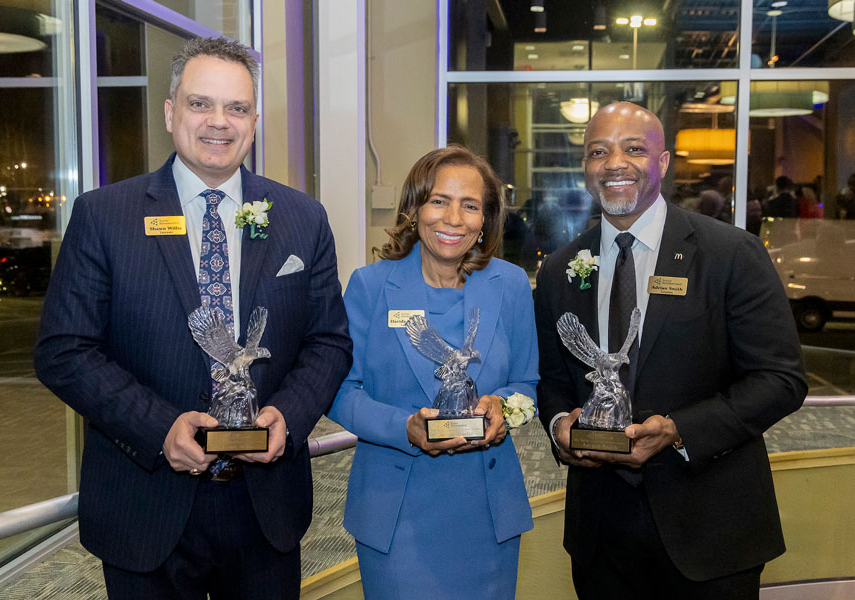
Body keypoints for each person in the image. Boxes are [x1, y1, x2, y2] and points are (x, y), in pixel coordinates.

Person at [34, 37, 352, 599]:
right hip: (145, 501)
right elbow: (65, 351)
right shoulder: (104, 216)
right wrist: (161, 428)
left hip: (264, 508)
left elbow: (328, 342)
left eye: (236, 108)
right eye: (200, 103)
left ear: (255, 119)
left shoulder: (302, 218)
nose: (218, 123)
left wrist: (287, 416)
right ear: (170, 112)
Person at [534, 102, 807, 599]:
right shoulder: (560, 269)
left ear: (662, 163)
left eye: (634, 148)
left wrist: (680, 430)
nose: (614, 163)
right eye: (599, 151)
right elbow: (551, 381)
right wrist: (560, 428)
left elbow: (781, 379)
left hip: (711, 531)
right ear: (586, 169)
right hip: (602, 537)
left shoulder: (730, 253)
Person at [328, 145, 538, 599]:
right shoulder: (370, 285)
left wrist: (504, 407)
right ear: (415, 207)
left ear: (486, 220)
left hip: (487, 508)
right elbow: (342, 391)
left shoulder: (512, 286)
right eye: (439, 200)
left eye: (470, 205)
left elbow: (527, 384)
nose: (453, 219)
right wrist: (404, 426)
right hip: (396, 510)